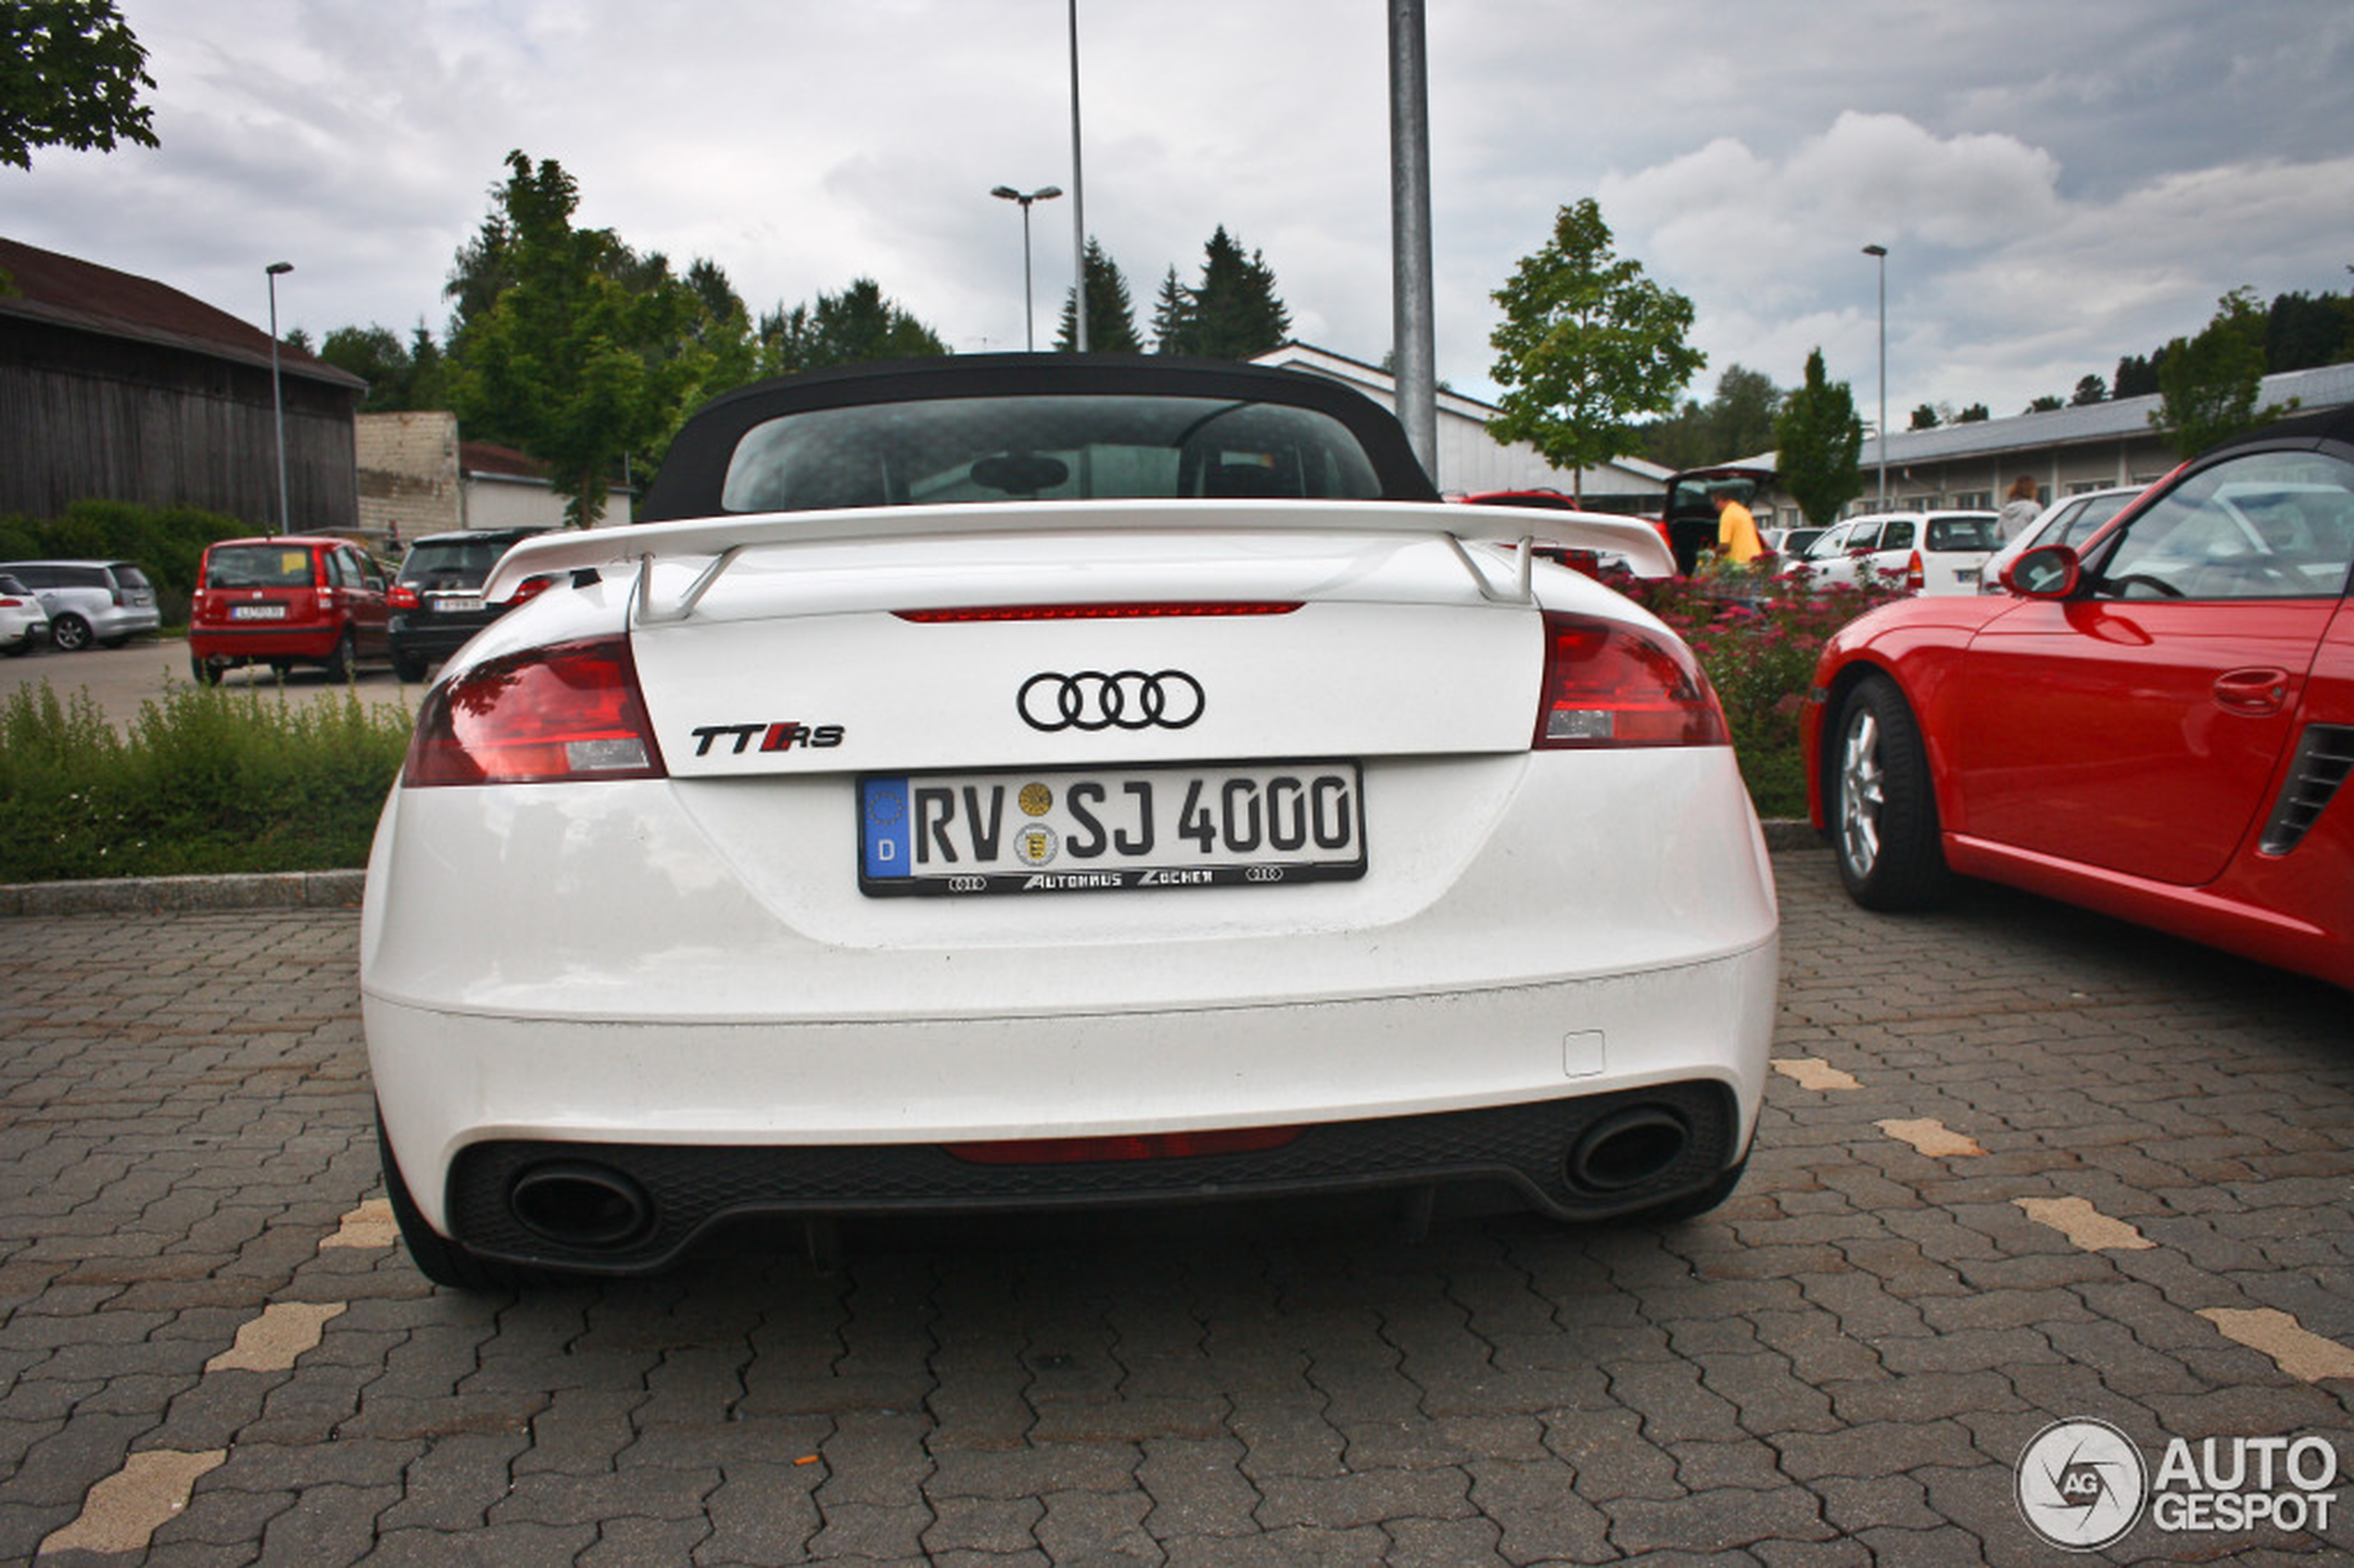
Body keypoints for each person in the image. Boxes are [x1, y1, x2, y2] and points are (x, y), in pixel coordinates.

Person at [1710, 488, 1764, 565]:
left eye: (1714, 504)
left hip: (1740, 563)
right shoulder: (1743, 511)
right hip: (1756, 559)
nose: (1715, 508)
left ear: (1720, 500)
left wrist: (1711, 554)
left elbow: (1725, 546)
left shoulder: (1727, 514)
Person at [1998, 474, 2042, 543]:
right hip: (2028, 547)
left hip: (2010, 549)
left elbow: (1998, 534)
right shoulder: (2034, 507)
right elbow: (2041, 530)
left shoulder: (2005, 509)